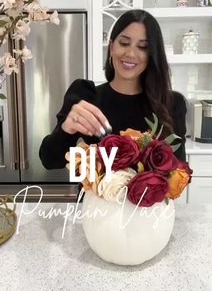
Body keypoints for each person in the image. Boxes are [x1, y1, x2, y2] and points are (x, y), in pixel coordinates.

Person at [39, 9, 187, 170]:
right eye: (124, 43)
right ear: (111, 47)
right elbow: (50, 161)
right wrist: (67, 128)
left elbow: (180, 172)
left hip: (146, 196)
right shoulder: (85, 95)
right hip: (92, 196)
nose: (131, 53)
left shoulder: (172, 104)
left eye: (143, 47)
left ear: (152, 54)